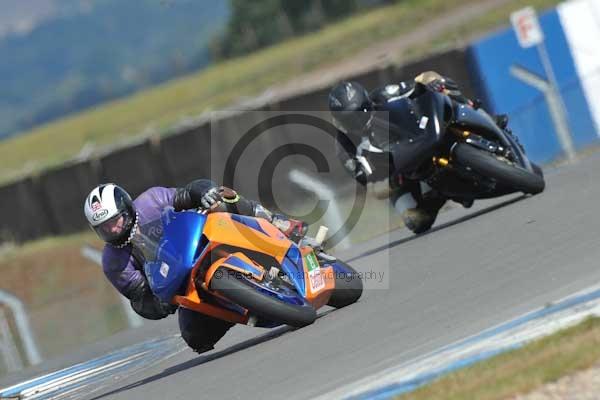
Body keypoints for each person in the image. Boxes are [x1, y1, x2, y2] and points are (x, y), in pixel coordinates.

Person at [83, 179, 306, 353]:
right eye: (104, 227)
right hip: (186, 285)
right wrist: (160, 303)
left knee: (221, 197)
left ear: (127, 209)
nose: (112, 230)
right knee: (195, 338)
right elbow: (140, 298)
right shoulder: (113, 263)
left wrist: (204, 191)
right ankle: (252, 309)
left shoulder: (152, 200)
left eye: (115, 220)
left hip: (204, 238)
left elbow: (186, 194)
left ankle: (275, 223)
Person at [328, 71, 509, 234]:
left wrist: (433, 82)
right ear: (339, 121)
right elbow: (369, 182)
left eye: (362, 112)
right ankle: (439, 194)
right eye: (350, 120)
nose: (358, 121)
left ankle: (485, 118)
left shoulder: (384, 95)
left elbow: (421, 79)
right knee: (416, 221)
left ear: (368, 102)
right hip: (400, 170)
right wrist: (383, 172)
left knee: (445, 89)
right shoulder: (345, 146)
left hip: (421, 133)